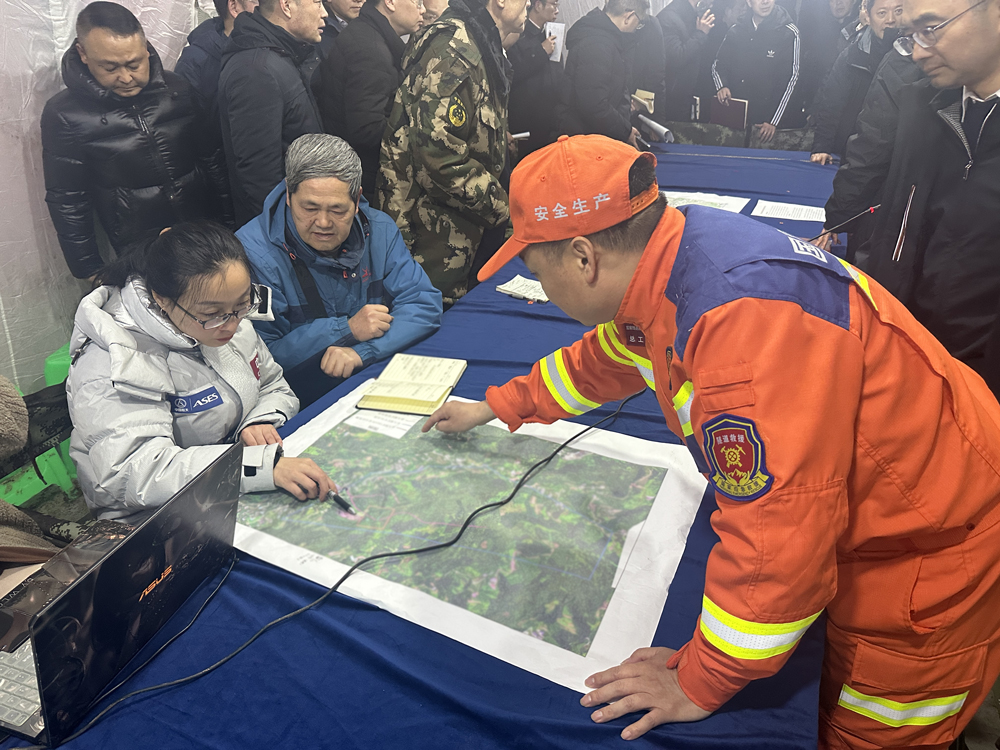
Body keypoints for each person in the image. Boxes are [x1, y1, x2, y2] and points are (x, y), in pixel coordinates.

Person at [422, 133, 1000, 749]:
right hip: (895, 505)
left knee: (871, 731)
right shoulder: (671, 260)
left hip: (927, 548)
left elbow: (777, 543)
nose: (542, 288)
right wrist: (496, 405)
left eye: (538, 272)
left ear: (584, 257)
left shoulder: (741, 323)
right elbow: (611, 356)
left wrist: (699, 682)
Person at [67, 221, 336, 521]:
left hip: (228, 482)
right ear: (161, 299)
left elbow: (273, 384)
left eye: (243, 304)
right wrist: (255, 466)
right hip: (150, 518)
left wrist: (257, 421)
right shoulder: (114, 360)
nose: (232, 325)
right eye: (212, 314)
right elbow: (133, 473)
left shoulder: (223, 316)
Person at [856, 0, 1000, 400]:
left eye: (931, 29)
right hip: (919, 366)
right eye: (909, 37)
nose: (918, 53)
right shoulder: (925, 108)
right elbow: (897, 231)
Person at [239, 135, 442, 407]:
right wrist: (346, 329)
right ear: (288, 195)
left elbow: (423, 303)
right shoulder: (251, 255)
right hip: (295, 397)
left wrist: (362, 352)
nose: (323, 223)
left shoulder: (380, 230)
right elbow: (259, 356)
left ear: (357, 200)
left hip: (371, 377)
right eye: (309, 208)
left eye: (337, 210)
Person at [41, 1, 232, 282]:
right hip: (139, 248)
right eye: (110, 67)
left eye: (134, 64)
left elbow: (212, 160)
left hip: (203, 230)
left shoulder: (178, 90)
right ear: (83, 54)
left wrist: (231, 223)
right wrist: (89, 268)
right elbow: (67, 199)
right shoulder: (65, 115)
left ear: (146, 49)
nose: (126, 77)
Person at [377, 0, 527, 306]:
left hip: (465, 226)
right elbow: (439, 156)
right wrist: (505, 207)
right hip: (433, 238)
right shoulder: (455, 48)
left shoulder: (480, 44)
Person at [219, 0, 327, 228]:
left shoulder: (279, 55)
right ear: (286, 6)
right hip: (287, 229)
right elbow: (259, 177)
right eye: (317, 2)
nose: (324, 12)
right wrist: (283, 234)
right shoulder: (255, 70)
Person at [817, 48, 924, 261]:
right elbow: (832, 100)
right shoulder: (856, 52)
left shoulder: (903, 60)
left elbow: (872, 146)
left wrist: (838, 218)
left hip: (897, 213)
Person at [316, 0, 424, 200]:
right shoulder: (371, 50)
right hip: (364, 180)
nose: (423, 10)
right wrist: (420, 135)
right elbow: (367, 129)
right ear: (390, 2)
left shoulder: (369, 35)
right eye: (417, 2)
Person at [809, 0, 903, 164]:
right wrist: (822, 147)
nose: (890, 19)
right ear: (868, 16)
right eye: (882, 13)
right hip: (852, 152)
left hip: (898, 155)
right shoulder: (851, 56)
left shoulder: (919, 56)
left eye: (898, 11)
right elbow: (832, 104)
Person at [556, 0, 648, 146]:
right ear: (629, 16)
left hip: (591, 136)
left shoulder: (605, 39)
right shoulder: (598, 44)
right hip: (585, 140)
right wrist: (625, 130)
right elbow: (593, 104)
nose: (637, 28)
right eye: (639, 22)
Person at [712, 0, 801, 143]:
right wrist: (722, 86)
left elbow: (791, 79)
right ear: (749, 2)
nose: (765, 2)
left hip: (765, 126)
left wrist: (773, 120)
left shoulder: (789, 33)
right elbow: (718, 65)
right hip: (734, 120)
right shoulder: (736, 29)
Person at [174, 0, 259, 115]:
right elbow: (184, 121)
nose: (268, 7)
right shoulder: (195, 62)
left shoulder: (274, 46)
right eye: (258, 1)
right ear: (234, 7)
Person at [508, 0, 564, 155]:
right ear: (538, 5)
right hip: (525, 122)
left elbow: (558, 74)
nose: (557, 10)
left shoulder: (550, 35)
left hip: (550, 122)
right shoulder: (517, 34)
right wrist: (540, 52)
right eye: (553, 4)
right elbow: (511, 72)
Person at [659, 0, 716, 122]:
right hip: (673, 101)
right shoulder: (668, 17)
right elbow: (676, 57)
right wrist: (701, 34)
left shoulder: (696, 16)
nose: (712, 4)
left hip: (691, 96)